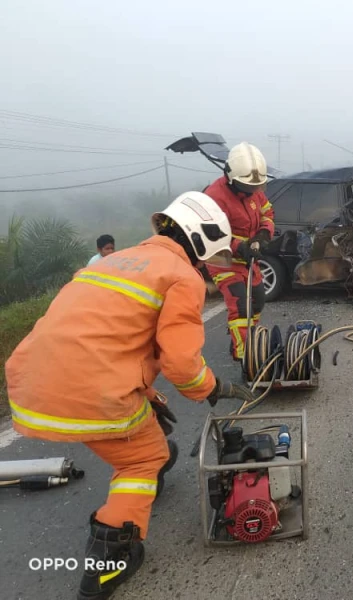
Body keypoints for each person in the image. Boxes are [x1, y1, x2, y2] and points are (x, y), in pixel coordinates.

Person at [5, 191, 254, 600]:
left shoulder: (112, 262)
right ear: (202, 240)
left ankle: (150, 456)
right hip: (89, 393)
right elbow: (180, 363)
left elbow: (107, 339)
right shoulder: (181, 275)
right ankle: (109, 561)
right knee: (142, 458)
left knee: (143, 425)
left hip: (31, 383)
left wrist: (147, 393)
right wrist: (213, 388)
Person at [203, 142, 275, 363]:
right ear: (231, 177)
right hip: (223, 259)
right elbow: (211, 234)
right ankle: (245, 356)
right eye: (248, 187)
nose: (253, 191)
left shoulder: (253, 191)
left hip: (247, 259)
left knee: (258, 301)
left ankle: (250, 339)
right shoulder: (215, 196)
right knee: (240, 305)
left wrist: (263, 234)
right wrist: (239, 247)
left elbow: (267, 212)